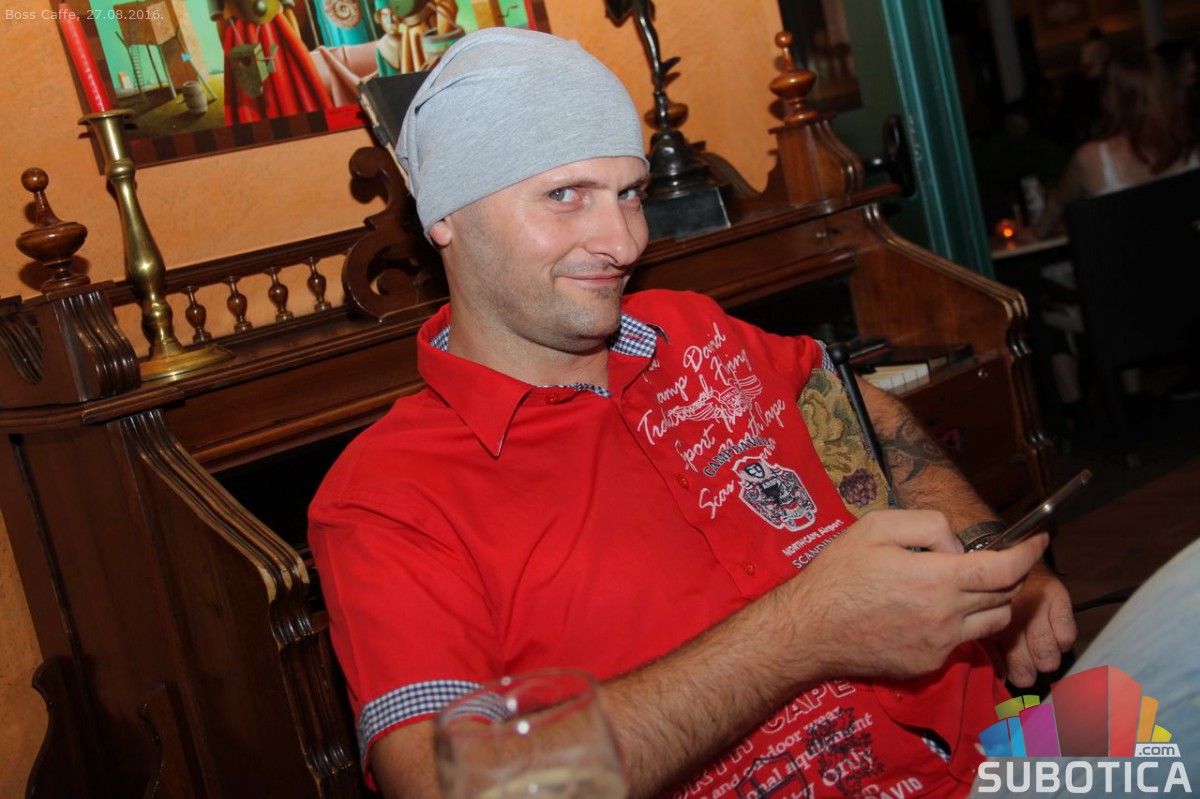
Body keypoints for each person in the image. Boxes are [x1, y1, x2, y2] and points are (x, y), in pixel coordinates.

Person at [308, 28, 1075, 798]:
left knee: (1155, 645)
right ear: (446, 216)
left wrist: (993, 566)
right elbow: (448, 785)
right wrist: (804, 631)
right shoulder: (384, 499)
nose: (623, 242)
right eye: (565, 195)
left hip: (1013, 755)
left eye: (629, 193)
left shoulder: (692, 328)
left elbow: (859, 406)